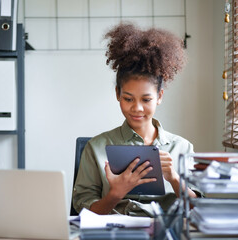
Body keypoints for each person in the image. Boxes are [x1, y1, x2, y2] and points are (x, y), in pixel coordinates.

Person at [72, 23, 202, 217]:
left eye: (146, 99)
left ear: (160, 96)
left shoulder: (182, 148)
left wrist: (175, 179)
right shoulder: (96, 147)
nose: (137, 108)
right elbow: (82, 212)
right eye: (128, 98)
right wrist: (115, 194)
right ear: (117, 94)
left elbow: (199, 210)